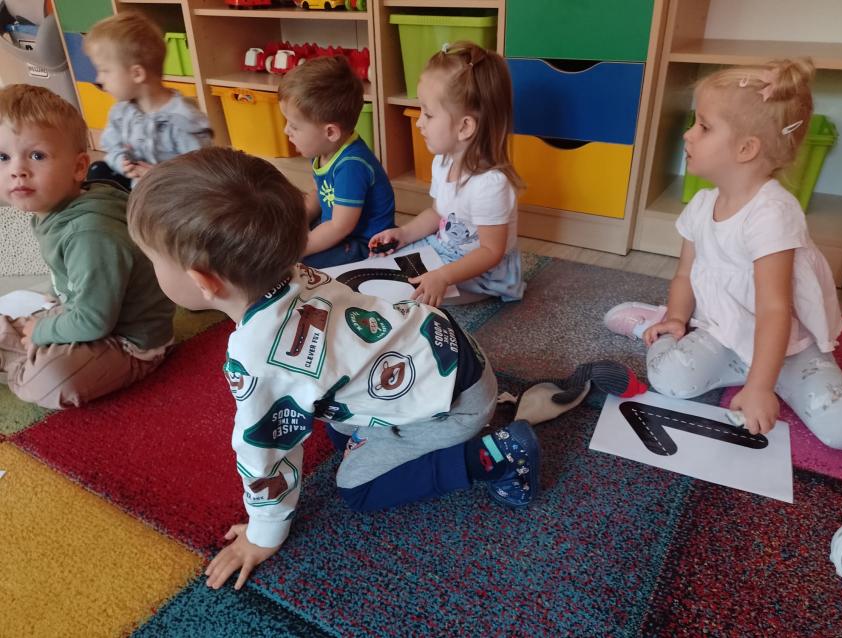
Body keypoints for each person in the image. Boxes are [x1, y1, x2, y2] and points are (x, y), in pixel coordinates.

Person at [126, 147, 541, 591]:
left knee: (357, 489)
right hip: (445, 349)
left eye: (154, 261)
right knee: (335, 429)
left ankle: (496, 456)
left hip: (453, 407)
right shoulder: (295, 272)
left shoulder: (257, 359)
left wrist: (264, 534)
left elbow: (265, 453)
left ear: (203, 281)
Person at [604, 59, 842, 449]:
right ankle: (655, 322)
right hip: (724, 331)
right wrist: (677, 318)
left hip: (788, 345)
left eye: (703, 126)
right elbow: (685, 274)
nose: (688, 134)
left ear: (746, 149)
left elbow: (774, 309)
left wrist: (760, 387)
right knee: (669, 381)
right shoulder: (702, 205)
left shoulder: (773, 213)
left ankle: (764, 375)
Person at [0, 84, 175, 408]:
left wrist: (40, 332)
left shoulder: (90, 233)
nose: (17, 171)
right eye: (3, 157)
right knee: (34, 330)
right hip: (87, 311)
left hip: (129, 342)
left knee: (52, 380)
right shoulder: (53, 208)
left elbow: (94, 322)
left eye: (37, 156)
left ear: (79, 167)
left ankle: (21, 361)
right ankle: (27, 348)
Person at [368, 42, 525, 307]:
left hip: (485, 271)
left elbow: (491, 252)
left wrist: (443, 276)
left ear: (465, 127)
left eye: (428, 114)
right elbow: (437, 213)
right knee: (379, 265)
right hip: (445, 249)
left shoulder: (490, 185)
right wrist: (403, 233)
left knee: (410, 295)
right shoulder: (443, 161)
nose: (419, 123)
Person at [278, 55, 395, 268]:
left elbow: (340, 227)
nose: (286, 130)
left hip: (363, 243)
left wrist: (296, 249)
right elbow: (319, 193)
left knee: (300, 265)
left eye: (294, 126)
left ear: (330, 132)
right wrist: (299, 219)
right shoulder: (323, 149)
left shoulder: (351, 166)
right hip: (336, 223)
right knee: (281, 226)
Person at [83, 11, 212, 187]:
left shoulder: (183, 120)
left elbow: (202, 173)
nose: (99, 79)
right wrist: (121, 161)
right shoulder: (121, 111)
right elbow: (111, 145)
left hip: (173, 192)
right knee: (98, 171)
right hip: (138, 186)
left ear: (137, 74)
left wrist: (158, 175)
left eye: (105, 71)